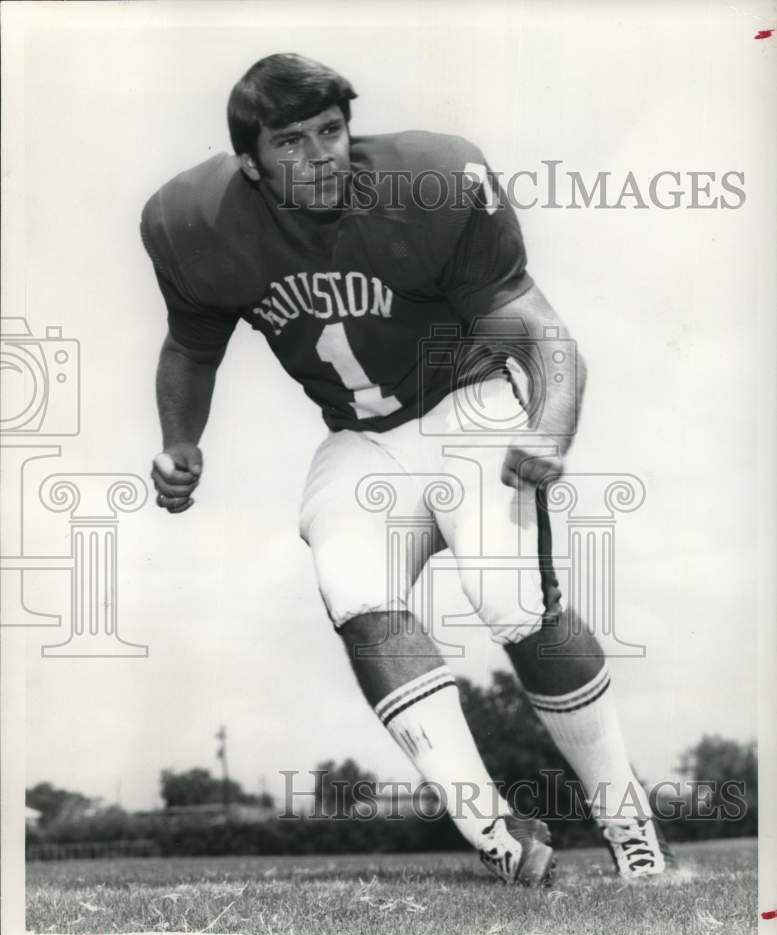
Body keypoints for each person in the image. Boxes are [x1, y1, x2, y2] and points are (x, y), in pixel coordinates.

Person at [143, 52, 673, 884]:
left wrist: (552, 424)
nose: (322, 155)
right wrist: (179, 442)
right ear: (249, 162)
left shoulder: (431, 181)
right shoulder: (189, 223)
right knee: (352, 586)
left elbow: (542, 331)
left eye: (331, 130)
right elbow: (190, 343)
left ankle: (627, 823)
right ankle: (497, 835)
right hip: (361, 434)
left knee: (513, 605)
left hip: (466, 403)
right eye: (293, 142)